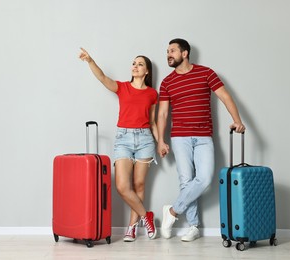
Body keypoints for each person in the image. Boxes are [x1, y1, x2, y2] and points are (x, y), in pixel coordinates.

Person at [157, 38, 246, 242]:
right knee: (186, 181)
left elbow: (225, 96)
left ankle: (172, 211)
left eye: (172, 51)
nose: (168, 54)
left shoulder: (206, 73)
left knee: (204, 178)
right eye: (167, 51)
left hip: (204, 136)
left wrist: (237, 120)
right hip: (179, 138)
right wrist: (161, 141)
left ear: (185, 53)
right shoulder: (167, 82)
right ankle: (194, 226)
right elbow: (162, 114)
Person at [79, 47, 158, 242]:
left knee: (138, 184)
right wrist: (90, 61)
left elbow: (153, 121)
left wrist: (161, 142)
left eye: (140, 64)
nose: (135, 66)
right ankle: (146, 216)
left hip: (145, 140)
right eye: (134, 63)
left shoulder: (152, 94)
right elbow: (103, 78)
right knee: (123, 186)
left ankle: (131, 228)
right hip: (123, 138)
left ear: (147, 71)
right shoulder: (123, 87)